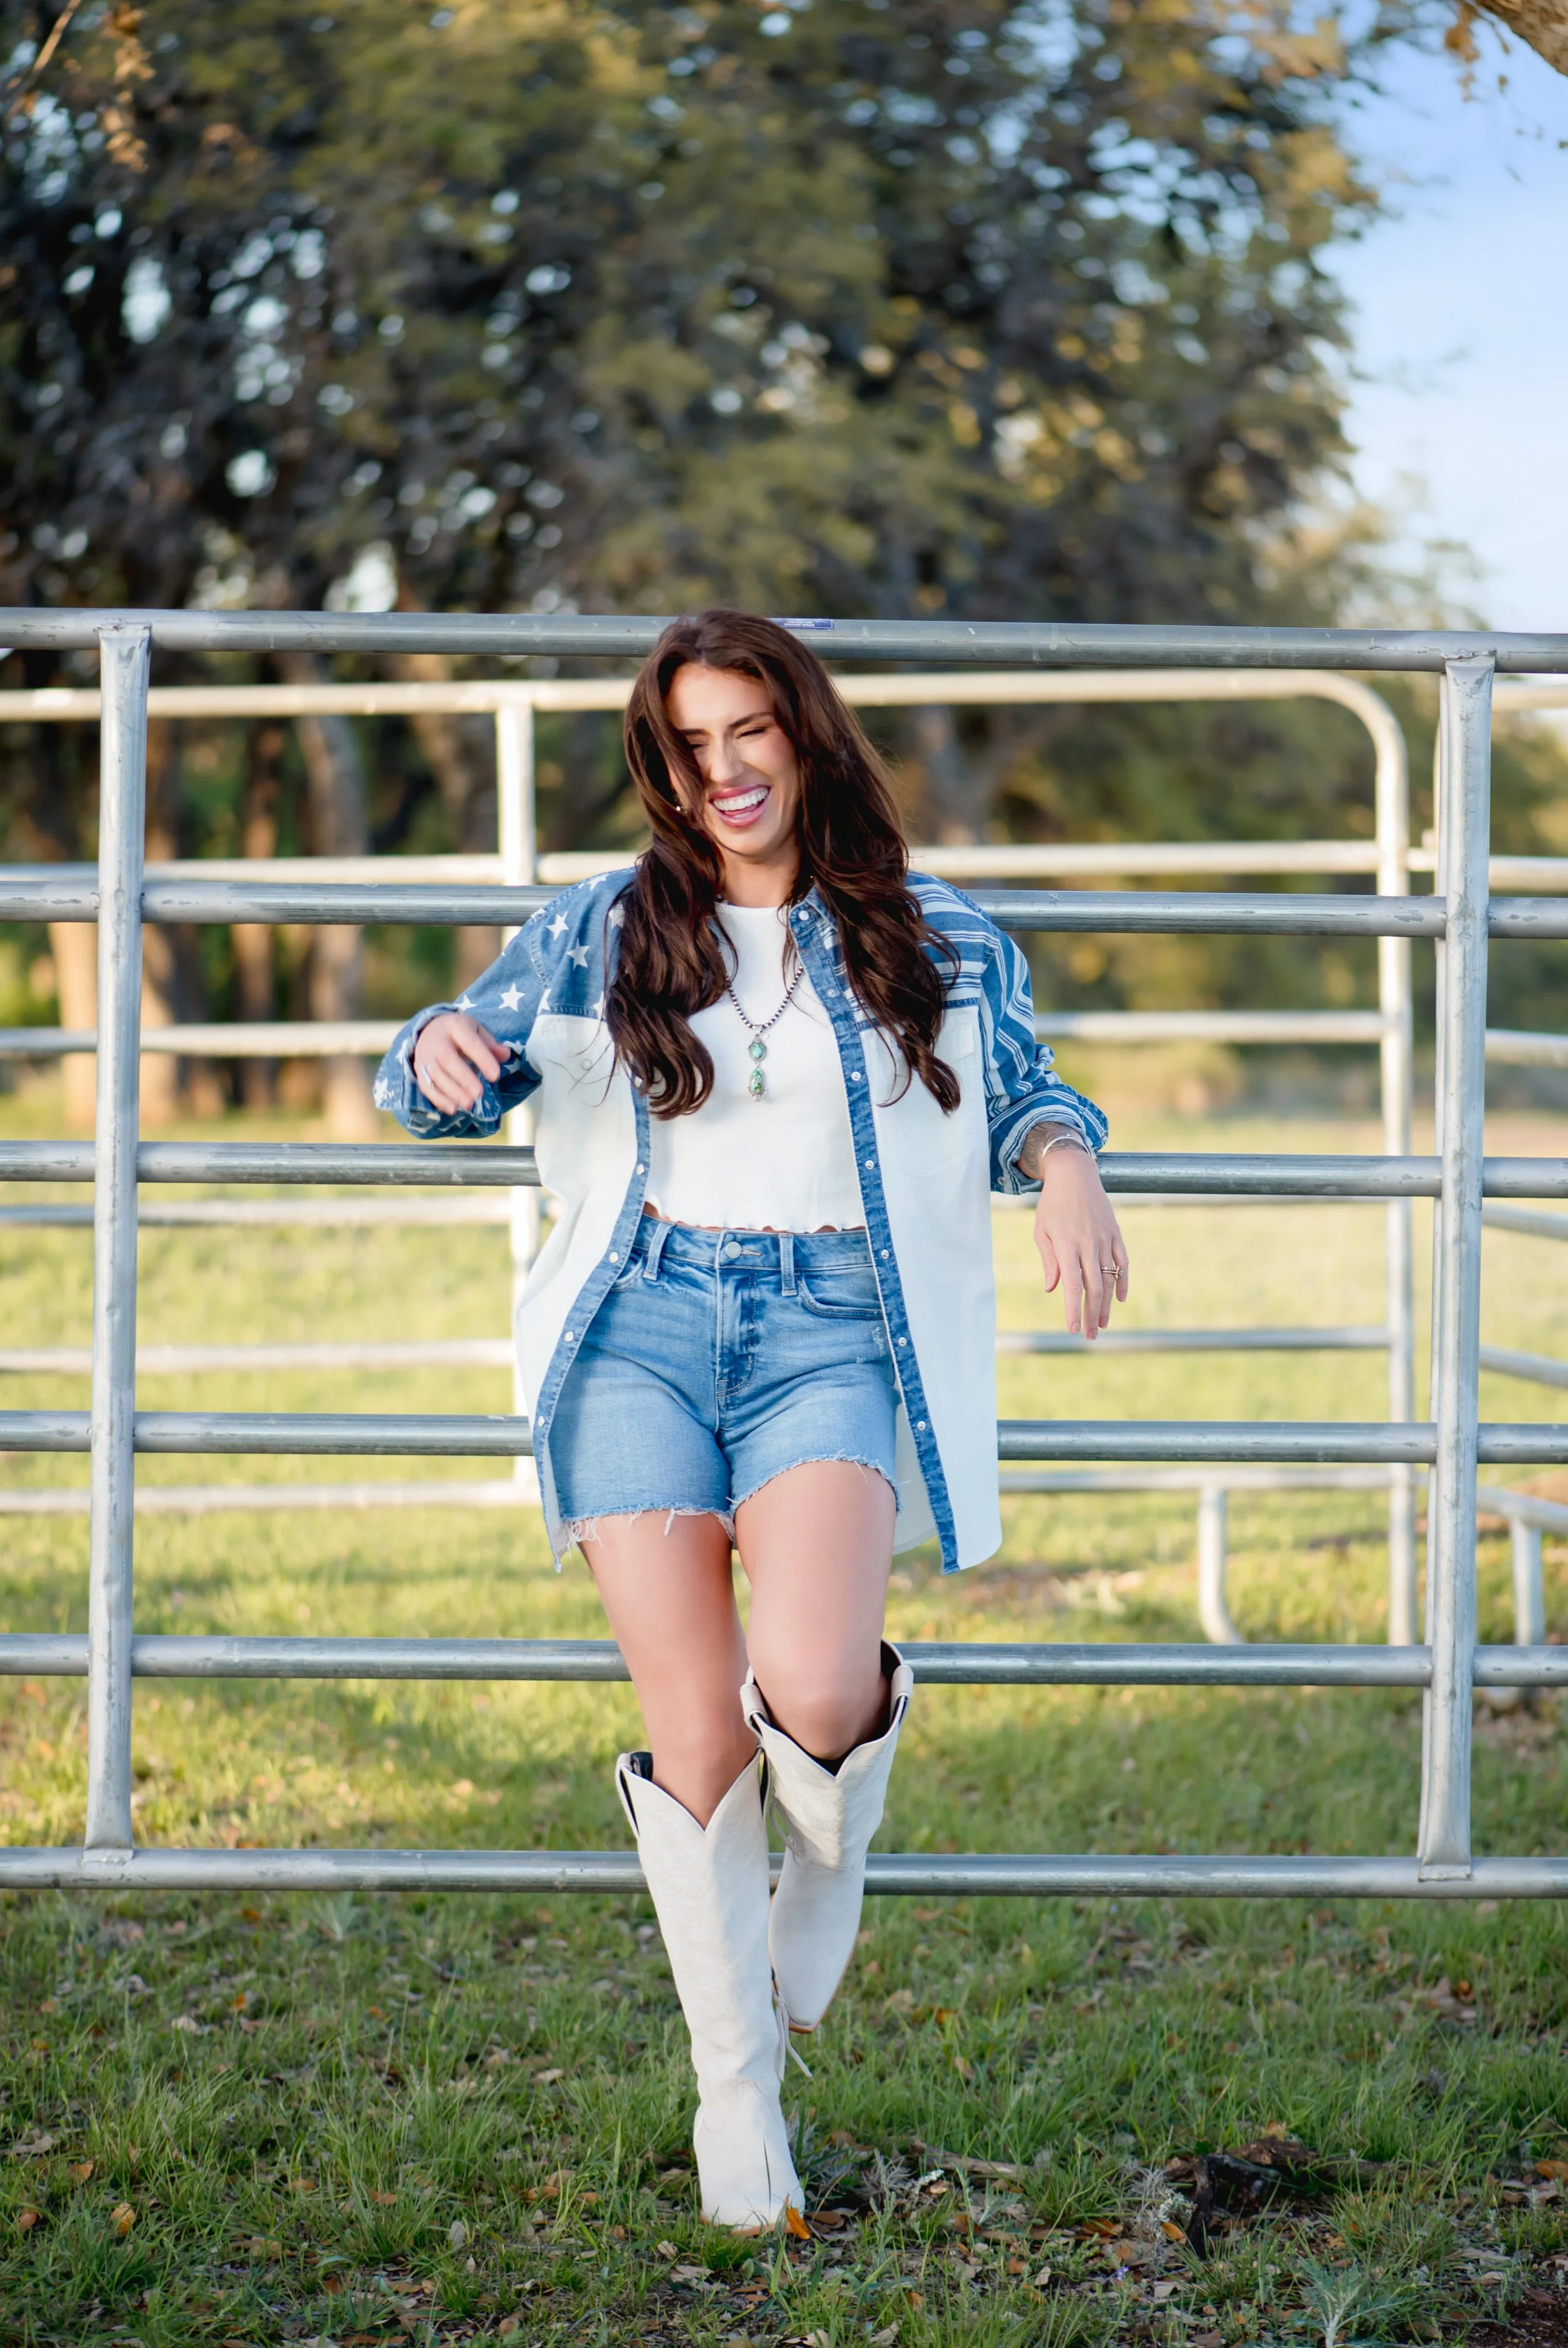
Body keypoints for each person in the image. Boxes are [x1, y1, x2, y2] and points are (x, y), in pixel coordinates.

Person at [376, 610, 1128, 2231]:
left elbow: (1029, 1089)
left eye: (748, 733)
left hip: (831, 1330)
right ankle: (739, 2096)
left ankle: (832, 1854)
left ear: (804, 734)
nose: (723, 772)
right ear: (660, 766)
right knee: (701, 1724)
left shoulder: (929, 930)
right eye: (687, 746)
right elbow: (439, 1067)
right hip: (638, 1327)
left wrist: (1065, 1162)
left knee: (810, 1685)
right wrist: (436, 1054)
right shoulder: (598, 925)